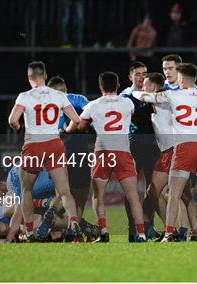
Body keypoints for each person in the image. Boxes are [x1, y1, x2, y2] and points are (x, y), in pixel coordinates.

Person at [132, 63, 197, 242]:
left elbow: (146, 96)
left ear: (181, 78)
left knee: (169, 194)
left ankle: (170, 232)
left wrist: (134, 91)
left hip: (179, 148)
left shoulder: (171, 95)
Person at [8, 61, 83, 242]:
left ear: (29, 77)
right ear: (45, 76)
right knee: (64, 191)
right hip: (54, 144)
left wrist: (19, 129)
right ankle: (74, 223)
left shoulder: (25, 96)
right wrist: (66, 131)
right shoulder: (58, 95)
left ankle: (30, 232)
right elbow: (76, 119)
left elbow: (12, 120)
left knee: (26, 190)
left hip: (33, 145)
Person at [74, 72, 147, 242]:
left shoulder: (93, 105)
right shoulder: (127, 103)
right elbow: (134, 115)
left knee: (98, 196)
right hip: (123, 152)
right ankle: (141, 234)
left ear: (100, 87)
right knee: (133, 196)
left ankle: (104, 231)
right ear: (118, 85)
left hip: (103, 152)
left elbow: (81, 127)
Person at [142, 72, 197, 241]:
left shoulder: (165, 97)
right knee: (155, 192)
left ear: (153, 87)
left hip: (176, 150)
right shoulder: (158, 101)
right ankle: (178, 231)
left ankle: (192, 233)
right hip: (167, 153)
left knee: (183, 195)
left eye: (146, 85)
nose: (143, 88)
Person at [119, 62, 160, 241]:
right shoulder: (125, 96)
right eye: (137, 74)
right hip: (132, 145)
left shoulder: (153, 94)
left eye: (144, 73)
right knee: (131, 189)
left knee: (155, 188)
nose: (142, 76)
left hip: (153, 145)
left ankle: (148, 224)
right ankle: (133, 228)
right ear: (130, 77)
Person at [47, 76, 91, 220]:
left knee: (61, 194)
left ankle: (50, 216)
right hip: (79, 153)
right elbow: (90, 113)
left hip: (57, 155)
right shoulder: (78, 99)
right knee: (81, 195)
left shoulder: (45, 107)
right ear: (65, 88)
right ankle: (75, 228)